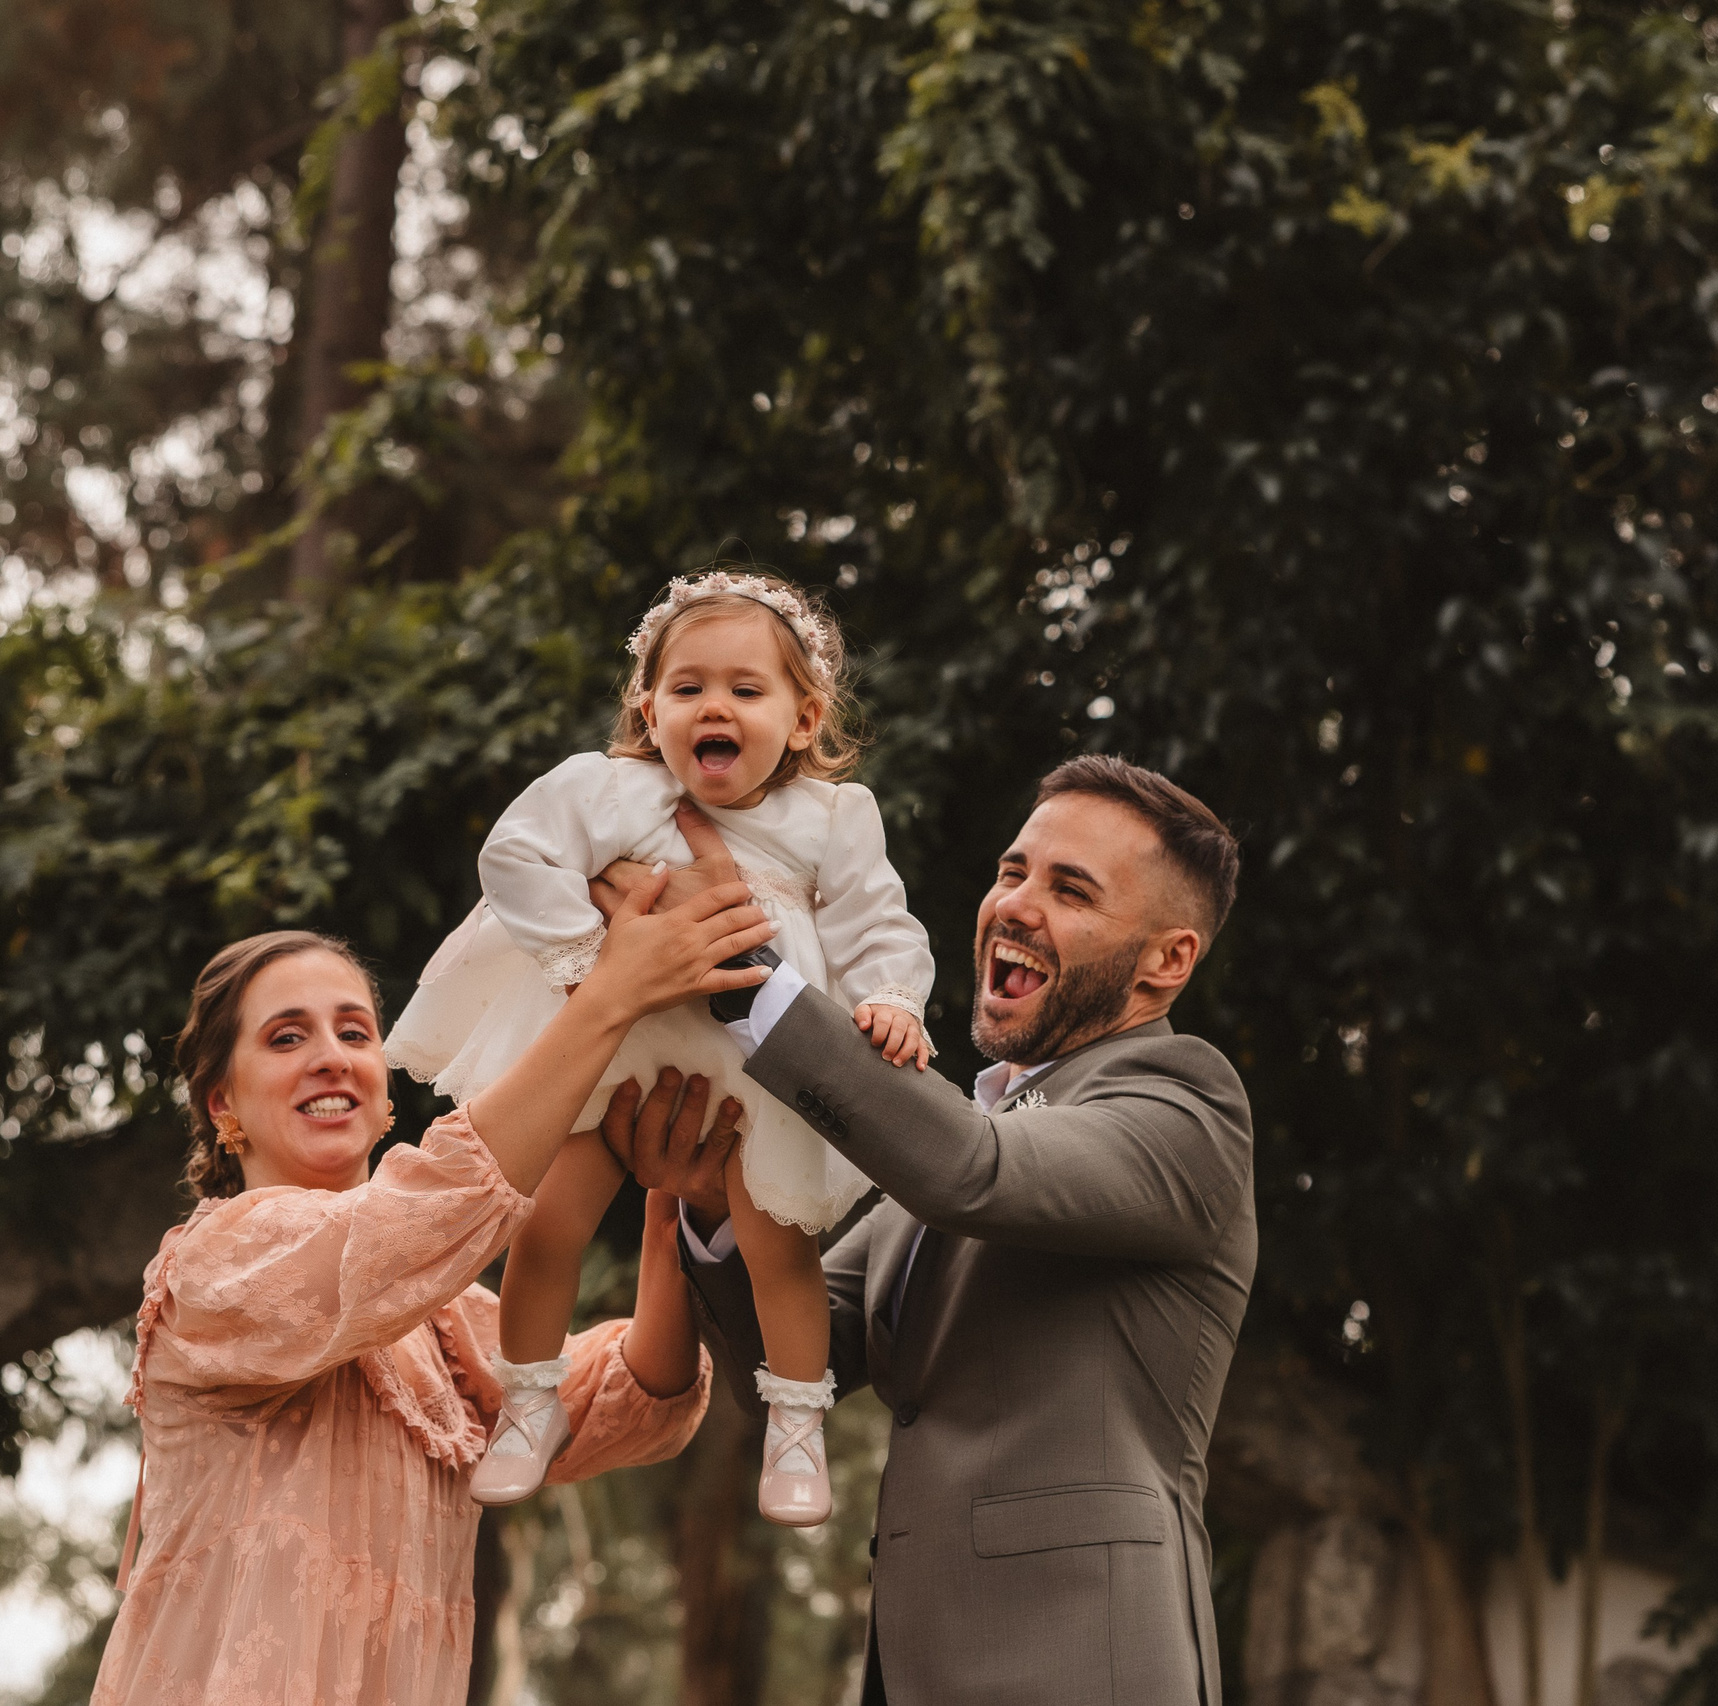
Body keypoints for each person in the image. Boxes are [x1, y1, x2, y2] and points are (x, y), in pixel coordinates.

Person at [606, 755, 1255, 1704]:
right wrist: (711, 1206)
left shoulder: (1185, 1104)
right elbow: (802, 1358)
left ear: (1169, 960)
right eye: (1013, 871)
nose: (1016, 905)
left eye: (1071, 890)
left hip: (1088, 1665)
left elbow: (969, 1170)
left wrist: (741, 972)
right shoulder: (969, 1141)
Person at [88, 870, 774, 1706]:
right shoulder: (211, 1269)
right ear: (221, 1103)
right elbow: (415, 1215)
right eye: (286, 1038)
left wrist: (675, 1201)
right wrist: (609, 999)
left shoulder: (445, 1327)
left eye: (354, 1032)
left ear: (382, 1086)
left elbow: (633, 1400)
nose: (331, 1056)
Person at [383, 568, 936, 1525]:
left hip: (757, 1073)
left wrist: (892, 997)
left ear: (803, 720)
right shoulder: (606, 790)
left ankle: (796, 1423)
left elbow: (875, 922)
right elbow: (512, 855)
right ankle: (530, 1401)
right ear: (649, 708)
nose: (714, 706)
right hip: (615, 1055)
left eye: (746, 689)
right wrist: (586, 955)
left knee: (778, 1249)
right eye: (688, 688)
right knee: (545, 1223)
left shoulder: (834, 818)